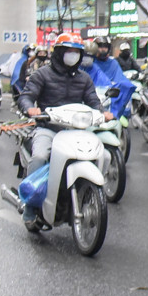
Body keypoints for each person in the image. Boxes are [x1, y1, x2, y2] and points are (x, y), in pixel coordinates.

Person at [18, 33, 112, 228]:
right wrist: (30, 109)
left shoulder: (84, 78)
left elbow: (93, 101)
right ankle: (30, 208)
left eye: (76, 52)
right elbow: (26, 96)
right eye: (69, 51)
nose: (73, 55)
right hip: (49, 128)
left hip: (76, 130)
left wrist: (102, 112)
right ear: (59, 53)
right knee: (40, 157)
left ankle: (87, 195)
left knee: (104, 155)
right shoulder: (42, 74)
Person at [84, 35, 135, 120]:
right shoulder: (90, 64)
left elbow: (120, 79)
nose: (103, 49)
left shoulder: (113, 63)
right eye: (100, 47)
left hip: (109, 98)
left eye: (105, 47)